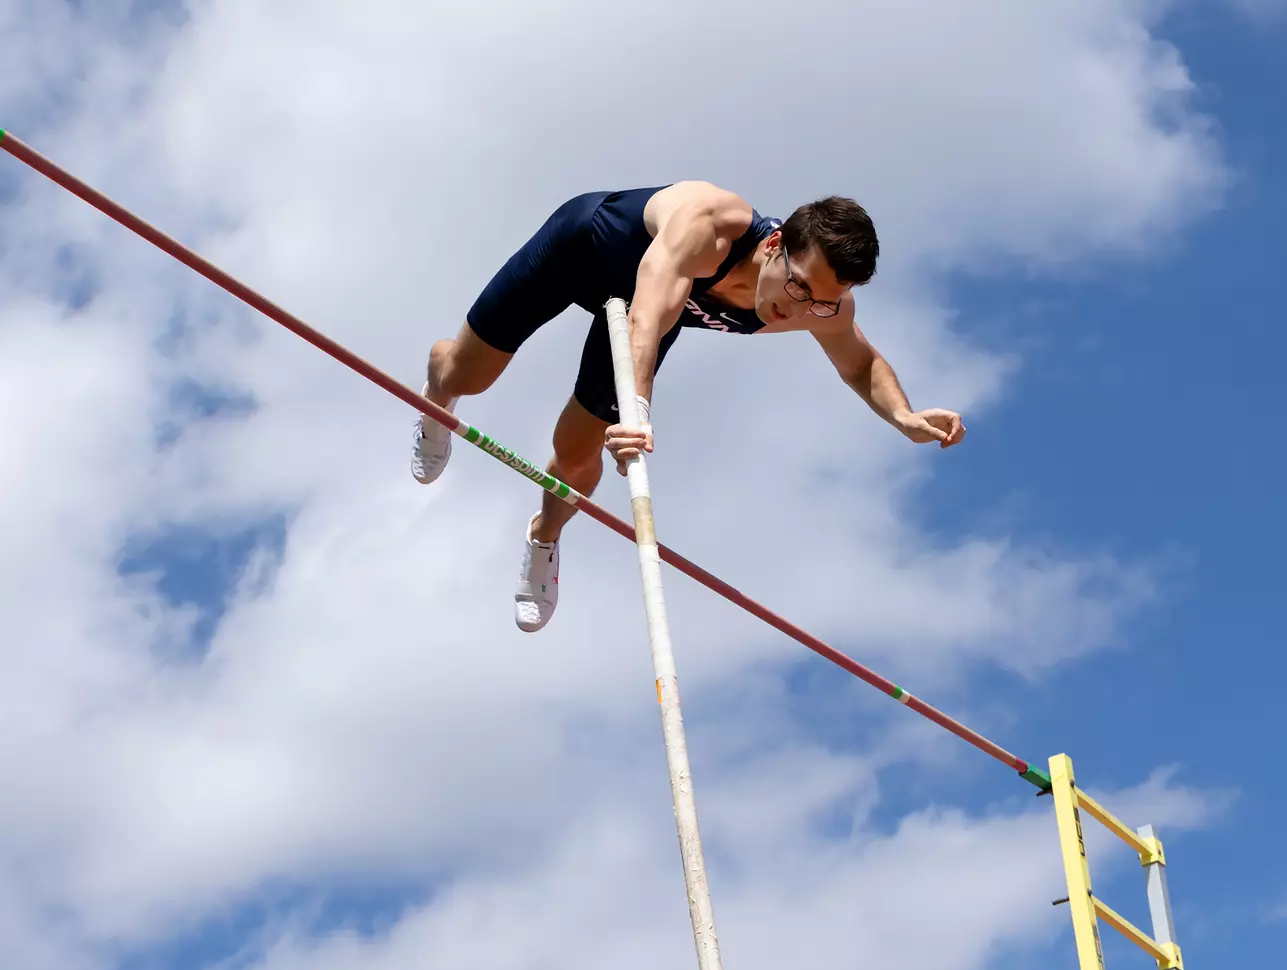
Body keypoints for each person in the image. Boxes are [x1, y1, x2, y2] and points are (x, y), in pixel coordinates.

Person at [411, 180, 967, 632]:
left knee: (575, 452)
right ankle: (438, 398)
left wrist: (904, 416)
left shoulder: (821, 306)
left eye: (821, 302)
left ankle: (544, 537)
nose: (800, 308)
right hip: (582, 253)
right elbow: (648, 317)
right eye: (798, 289)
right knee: (469, 375)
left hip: (647, 312)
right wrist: (637, 412)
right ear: (774, 246)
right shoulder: (708, 225)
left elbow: (859, 362)